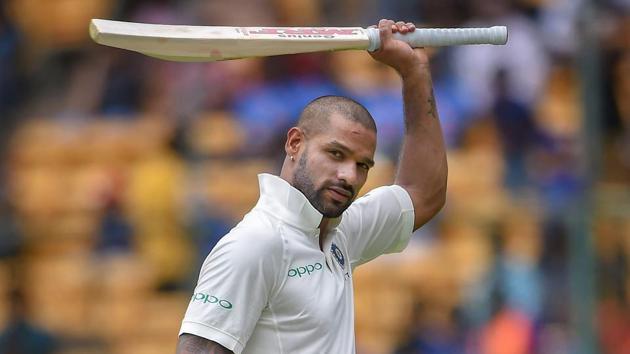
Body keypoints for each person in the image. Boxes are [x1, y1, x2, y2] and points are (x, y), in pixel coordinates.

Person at [176, 19, 448, 354]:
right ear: (294, 143)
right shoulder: (254, 244)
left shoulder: (341, 232)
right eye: (336, 154)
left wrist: (415, 71)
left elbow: (425, 193)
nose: (349, 175)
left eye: (362, 165)